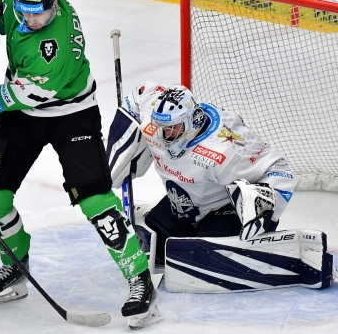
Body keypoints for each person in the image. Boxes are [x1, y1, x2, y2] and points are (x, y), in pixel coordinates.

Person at [0, 0, 156, 329]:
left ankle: (139, 279)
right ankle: (15, 265)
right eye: (22, 13)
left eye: (37, 16)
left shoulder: (54, 49)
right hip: (24, 112)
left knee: (94, 198)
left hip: (69, 113)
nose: (28, 22)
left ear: (55, 3)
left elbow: (22, 93)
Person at [106, 83, 295, 266]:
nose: (163, 135)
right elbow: (140, 96)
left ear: (193, 120)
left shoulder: (227, 152)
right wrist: (122, 138)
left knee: (197, 257)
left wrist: (263, 215)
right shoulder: (160, 123)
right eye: (162, 127)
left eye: (172, 128)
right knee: (154, 243)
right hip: (185, 205)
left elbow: (279, 169)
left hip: (222, 207)